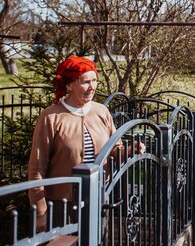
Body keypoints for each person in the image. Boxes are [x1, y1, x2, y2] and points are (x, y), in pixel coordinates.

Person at [28, 56, 141, 231]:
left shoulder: (101, 111)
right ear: (69, 85)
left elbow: (114, 150)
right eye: (85, 82)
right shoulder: (51, 117)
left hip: (98, 197)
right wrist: (40, 211)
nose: (92, 87)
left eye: (94, 80)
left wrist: (130, 150)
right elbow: (37, 167)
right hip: (62, 204)